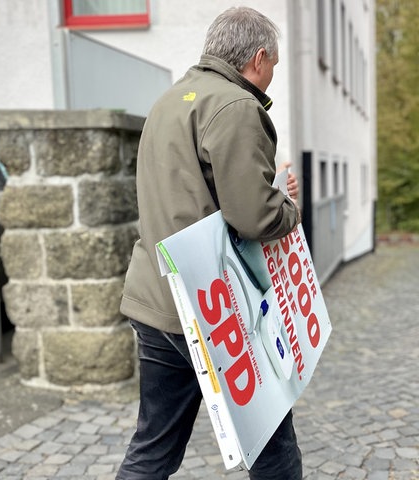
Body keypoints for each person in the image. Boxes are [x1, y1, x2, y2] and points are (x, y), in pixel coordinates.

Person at [117, 6, 303, 480]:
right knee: (273, 446)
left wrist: (267, 194)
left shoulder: (171, 100)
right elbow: (255, 216)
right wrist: (288, 209)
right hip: (212, 308)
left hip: (156, 299)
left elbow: (197, 194)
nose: (270, 79)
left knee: (153, 448)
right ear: (258, 58)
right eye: (273, 67)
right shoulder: (236, 106)